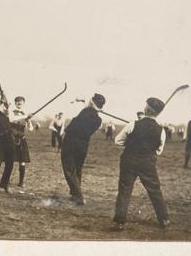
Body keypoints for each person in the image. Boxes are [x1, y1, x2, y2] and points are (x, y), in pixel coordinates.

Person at [113, 97, 170, 230]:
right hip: (148, 163)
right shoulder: (161, 131)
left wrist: (132, 143)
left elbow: (118, 141)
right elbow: (159, 150)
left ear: (146, 109)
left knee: (124, 190)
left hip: (129, 161)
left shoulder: (132, 124)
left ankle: (119, 222)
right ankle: (164, 219)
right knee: (155, 190)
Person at [61, 94, 105, 205]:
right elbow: (89, 103)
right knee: (77, 168)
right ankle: (74, 194)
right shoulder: (98, 120)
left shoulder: (84, 113)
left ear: (92, 103)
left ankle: (78, 196)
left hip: (71, 141)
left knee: (69, 168)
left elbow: (88, 103)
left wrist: (81, 100)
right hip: (83, 144)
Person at [10, 96, 31, 190]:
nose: (19, 103)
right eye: (17, 101)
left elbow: (31, 129)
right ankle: (6, 181)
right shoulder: (11, 112)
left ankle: (21, 182)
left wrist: (28, 120)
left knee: (22, 162)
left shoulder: (26, 114)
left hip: (21, 139)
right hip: (11, 139)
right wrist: (25, 117)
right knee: (9, 160)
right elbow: (11, 119)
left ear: (23, 103)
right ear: (15, 103)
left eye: (21, 101)